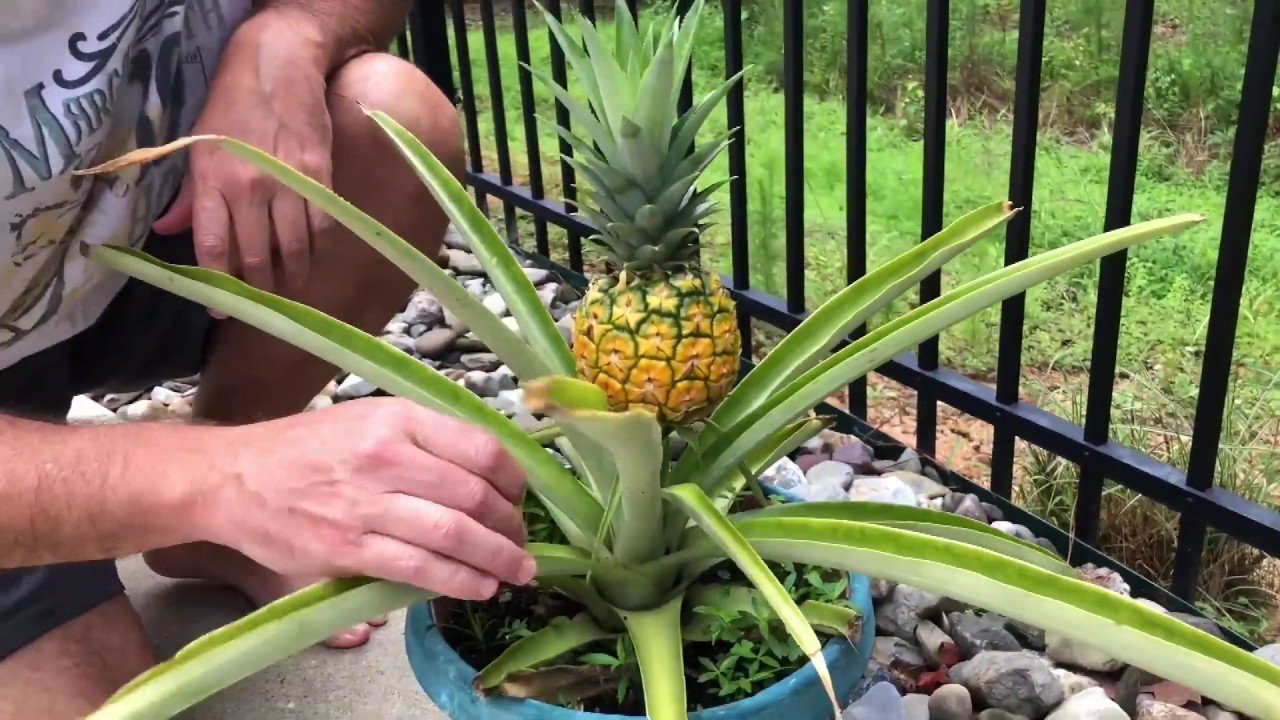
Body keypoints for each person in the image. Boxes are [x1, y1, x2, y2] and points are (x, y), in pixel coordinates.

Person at [0, 1, 534, 717]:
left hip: (156, 233)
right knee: (106, 699)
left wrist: (298, 29)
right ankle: (213, 504)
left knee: (389, 116)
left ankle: (210, 534)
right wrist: (223, 476)